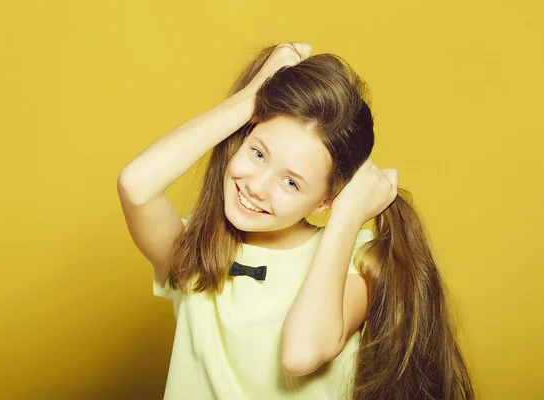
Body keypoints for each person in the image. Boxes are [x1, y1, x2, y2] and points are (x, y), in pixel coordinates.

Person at [117, 42, 475, 399]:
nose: (256, 186)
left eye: (291, 182)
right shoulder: (196, 248)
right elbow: (136, 186)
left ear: (325, 200)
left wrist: (348, 215)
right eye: (257, 153)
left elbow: (301, 353)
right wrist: (253, 95)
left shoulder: (356, 259)